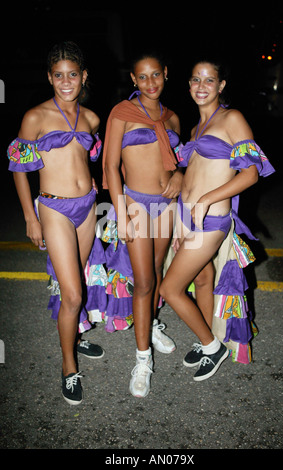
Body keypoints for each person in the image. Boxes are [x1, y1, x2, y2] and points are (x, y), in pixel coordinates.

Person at [160, 59, 275, 381]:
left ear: (221, 85)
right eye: (195, 79)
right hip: (188, 217)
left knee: (170, 289)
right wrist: (182, 222)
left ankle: (213, 347)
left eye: (209, 81)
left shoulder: (232, 118)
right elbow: (194, 177)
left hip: (212, 220)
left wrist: (209, 199)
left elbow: (251, 174)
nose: (201, 86)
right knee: (202, 280)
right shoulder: (196, 128)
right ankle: (206, 336)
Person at [7, 41, 105, 405]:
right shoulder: (35, 117)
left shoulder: (92, 118)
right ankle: (68, 366)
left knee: (75, 283)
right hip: (54, 209)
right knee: (74, 293)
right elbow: (19, 169)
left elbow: (86, 157)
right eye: (59, 75)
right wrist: (30, 217)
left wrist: (91, 181)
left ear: (83, 77)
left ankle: (76, 335)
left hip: (88, 207)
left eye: (73, 75)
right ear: (50, 77)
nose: (66, 81)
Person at [102, 52, 183, 397]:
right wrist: (120, 213)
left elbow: (180, 160)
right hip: (135, 202)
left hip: (166, 205)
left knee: (157, 272)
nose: (150, 82)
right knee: (145, 281)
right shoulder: (122, 111)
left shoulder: (172, 117)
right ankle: (142, 359)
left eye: (156, 75)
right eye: (142, 77)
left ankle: (149, 326)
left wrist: (180, 174)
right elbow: (109, 165)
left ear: (165, 74)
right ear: (134, 80)